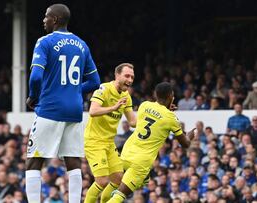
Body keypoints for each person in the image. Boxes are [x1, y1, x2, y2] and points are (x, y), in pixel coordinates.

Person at [25, 4, 100, 203]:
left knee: (34, 162)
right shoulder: (82, 44)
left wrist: (34, 97)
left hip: (50, 108)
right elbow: (95, 82)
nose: (43, 20)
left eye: (46, 16)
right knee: (73, 161)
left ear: (55, 19)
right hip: (75, 110)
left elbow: (35, 78)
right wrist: (74, 91)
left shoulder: (45, 42)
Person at [106, 82, 195, 203]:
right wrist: (189, 136)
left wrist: (167, 110)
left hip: (126, 153)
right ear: (171, 96)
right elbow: (185, 144)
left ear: (156, 95)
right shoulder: (171, 118)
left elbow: (154, 119)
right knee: (120, 195)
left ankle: (143, 180)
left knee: (116, 186)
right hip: (141, 162)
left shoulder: (144, 105)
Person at [84, 63, 136, 203]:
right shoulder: (104, 89)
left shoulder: (126, 96)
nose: (130, 80)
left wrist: (156, 117)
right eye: (126, 76)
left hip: (109, 142)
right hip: (94, 141)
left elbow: (132, 122)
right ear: (117, 75)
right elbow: (93, 111)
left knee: (118, 180)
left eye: (132, 77)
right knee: (101, 181)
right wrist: (114, 107)